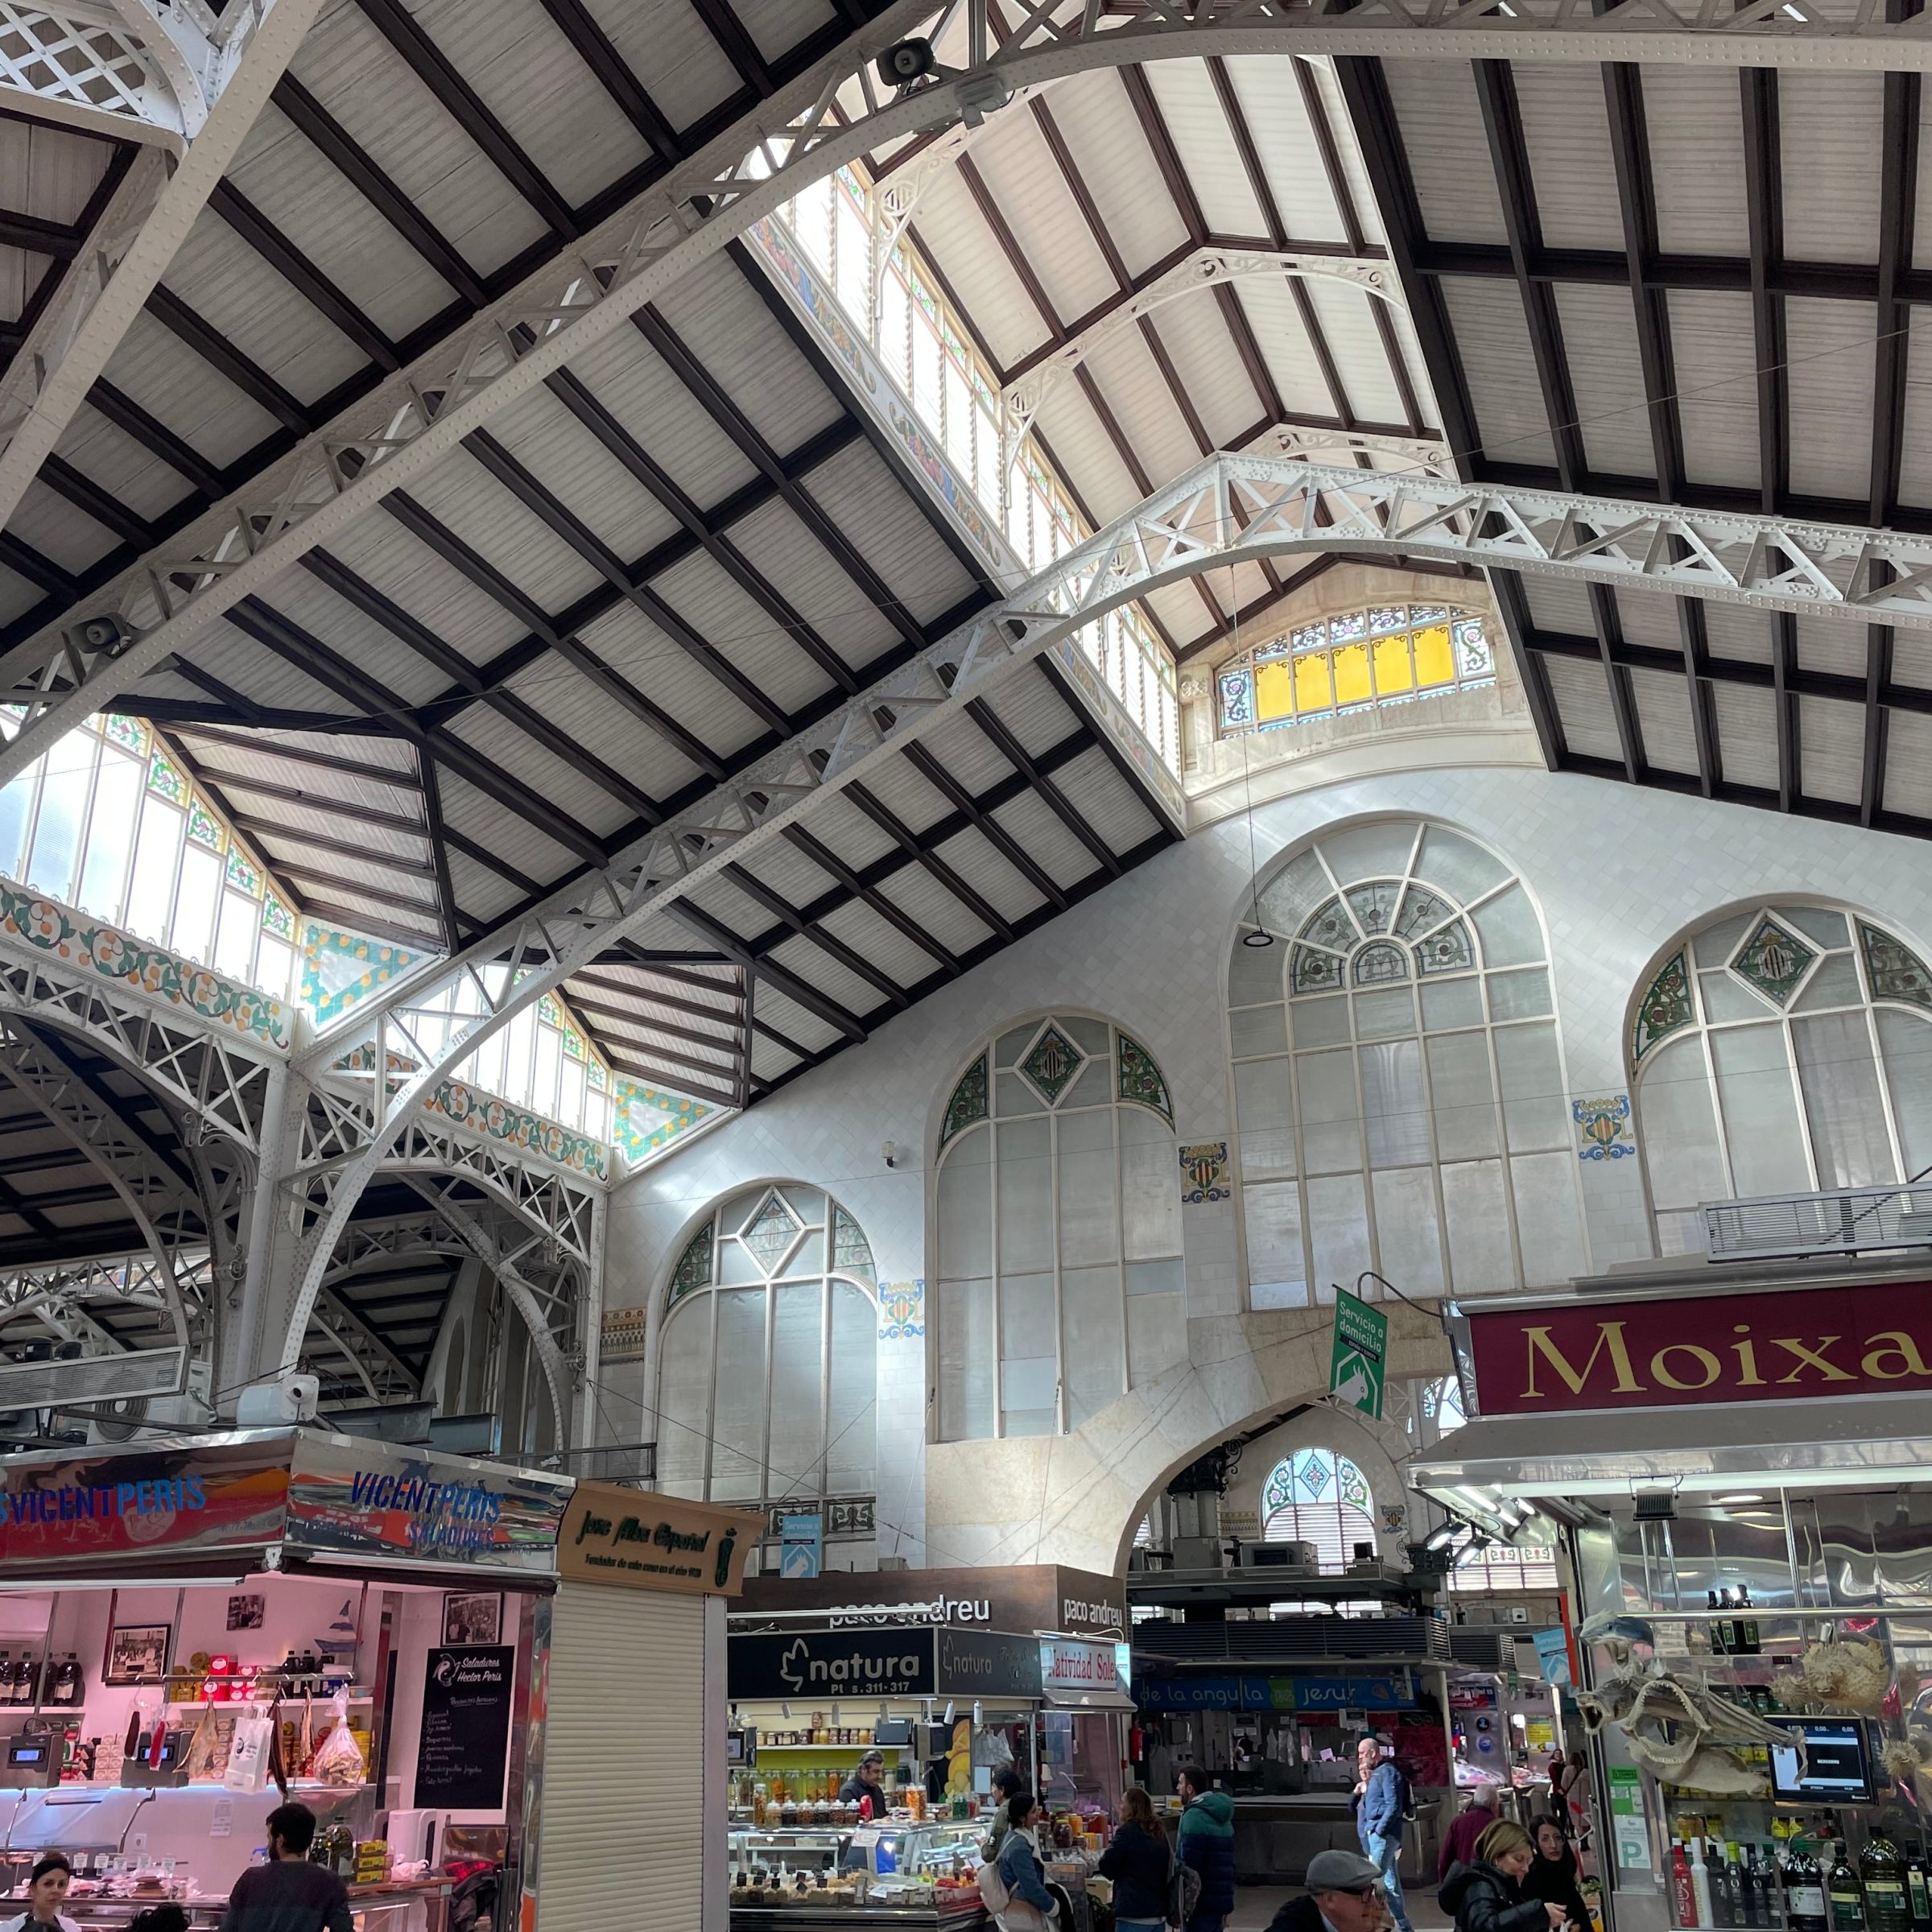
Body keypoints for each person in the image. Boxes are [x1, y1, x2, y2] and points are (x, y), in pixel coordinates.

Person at [220, 1802, 353, 1932]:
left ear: (280, 1840)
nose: (268, 1845)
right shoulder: (329, 1883)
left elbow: (228, 1928)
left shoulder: (250, 1879)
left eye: (269, 1838)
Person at [1439, 1818, 1567, 1932]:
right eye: (1518, 1859)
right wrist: (1538, 1913)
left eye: (1528, 1861)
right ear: (1497, 1857)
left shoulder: (1504, 1884)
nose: (1525, 1868)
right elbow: (1486, 1927)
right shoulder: (1480, 1887)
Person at [1353, 1738, 1415, 1932]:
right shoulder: (1376, 1776)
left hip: (1383, 1836)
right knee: (1389, 1885)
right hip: (1378, 1835)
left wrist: (1379, 1829)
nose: (1360, 1758)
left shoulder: (1387, 1772)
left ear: (1373, 1752)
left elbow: (1393, 1805)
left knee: (1375, 1881)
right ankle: (1404, 1927)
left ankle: (1376, 1925)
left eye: (1363, 1753)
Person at [1265, 1847, 1396, 1932]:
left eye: (1371, 1892)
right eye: (1364, 1894)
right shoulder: (1290, 1928)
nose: (1373, 1903)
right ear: (1330, 1899)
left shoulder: (1377, 1922)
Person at [1096, 1786, 1171, 1932]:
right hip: (1157, 1914)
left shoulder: (1126, 1832)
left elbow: (1107, 1867)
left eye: (1123, 1802)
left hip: (1133, 1914)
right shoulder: (1158, 1832)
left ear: (1132, 1807)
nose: (1120, 1806)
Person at [1174, 1762, 1236, 1932]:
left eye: (1181, 1783)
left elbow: (1189, 1865)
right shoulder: (1222, 1816)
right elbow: (1228, 1863)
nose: (1177, 1787)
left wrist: (1182, 1903)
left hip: (1200, 1902)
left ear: (1190, 1789)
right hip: (1219, 1898)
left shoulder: (1194, 1816)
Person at [993, 1791, 1059, 1929]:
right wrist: (1053, 1906)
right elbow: (1030, 1886)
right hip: (1022, 1911)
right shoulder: (1020, 1847)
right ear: (1023, 1818)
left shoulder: (1014, 1836)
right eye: (1033, 1811)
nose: (1038, 1814)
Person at [1521, 1818, 1591, 1931]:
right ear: (1535, 1844)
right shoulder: (1533, 1877)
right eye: (1545, 1839)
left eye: (1558, 1838)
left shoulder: (1564, 1870)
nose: (1553, 1845)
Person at [6, 1854, 80, 1931]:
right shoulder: (10, 1929)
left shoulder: (71, 1928)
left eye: (61, 1884)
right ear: (32, 1889)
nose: (56, 1890)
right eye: (48, 1884)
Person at [1439, 1787, 1499, 1881]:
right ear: (1493, 1805)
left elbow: (1445, 1856)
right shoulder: (1495, 1824)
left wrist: (1445, 1881)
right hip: (1487, 1879)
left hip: (1461, 1879)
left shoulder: (1458, 1822)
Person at [984, 1763, 1026, 1861]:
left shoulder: (1003, 1812)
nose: (992, 1791)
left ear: (1002, 1790)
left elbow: (991, 1853)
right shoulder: (1021, 1806)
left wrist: (983, 1846)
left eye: (993, 1787)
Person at [840, 1750, 892, 1821]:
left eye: (881, 1771)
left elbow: (883, 1815)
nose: (880, 1776)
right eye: (876, 1772)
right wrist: (877, 1822)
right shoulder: (849, 1791)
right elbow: (849, 1825)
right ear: (863, 1769)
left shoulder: (876, 1789)